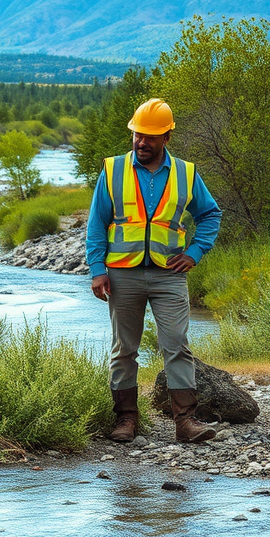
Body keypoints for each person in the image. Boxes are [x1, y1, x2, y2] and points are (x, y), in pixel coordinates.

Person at [86, 98, 222, 444]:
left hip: (169, 274)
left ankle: (185, 422)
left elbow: (210, 214)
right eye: (137, 135)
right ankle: (126, 420)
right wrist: (97, 269)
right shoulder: (113, 169)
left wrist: (195, 251)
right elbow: (96, 223)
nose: (141, 142)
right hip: (121, 275)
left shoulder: (186, 173)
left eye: (150, 136)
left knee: (176, 345)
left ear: (167, 137)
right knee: (124, 348)